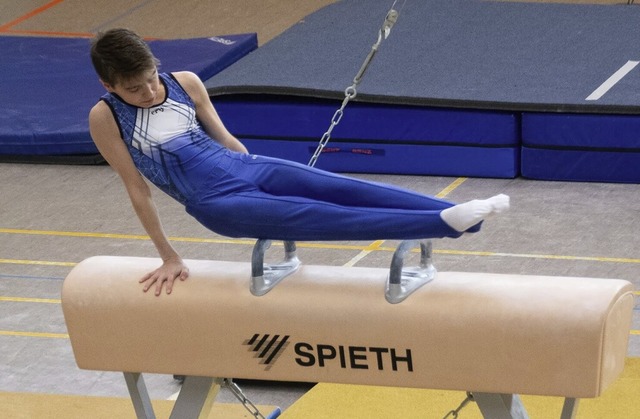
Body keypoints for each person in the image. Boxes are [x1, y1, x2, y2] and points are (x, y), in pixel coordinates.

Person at [89, 28, 509, 296]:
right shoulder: (107, 117)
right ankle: (442, 224)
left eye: (150, 79)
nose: (147, 92)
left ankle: (457, 216)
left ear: (155, 65)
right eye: (133, 88)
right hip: (217, 203)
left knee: (344, 188)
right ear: (109, 85)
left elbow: (225, 137)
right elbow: (137, 190)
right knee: (324, 214)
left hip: (248, 167)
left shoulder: (185, 83)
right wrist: (169, 256)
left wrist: (256, 170)